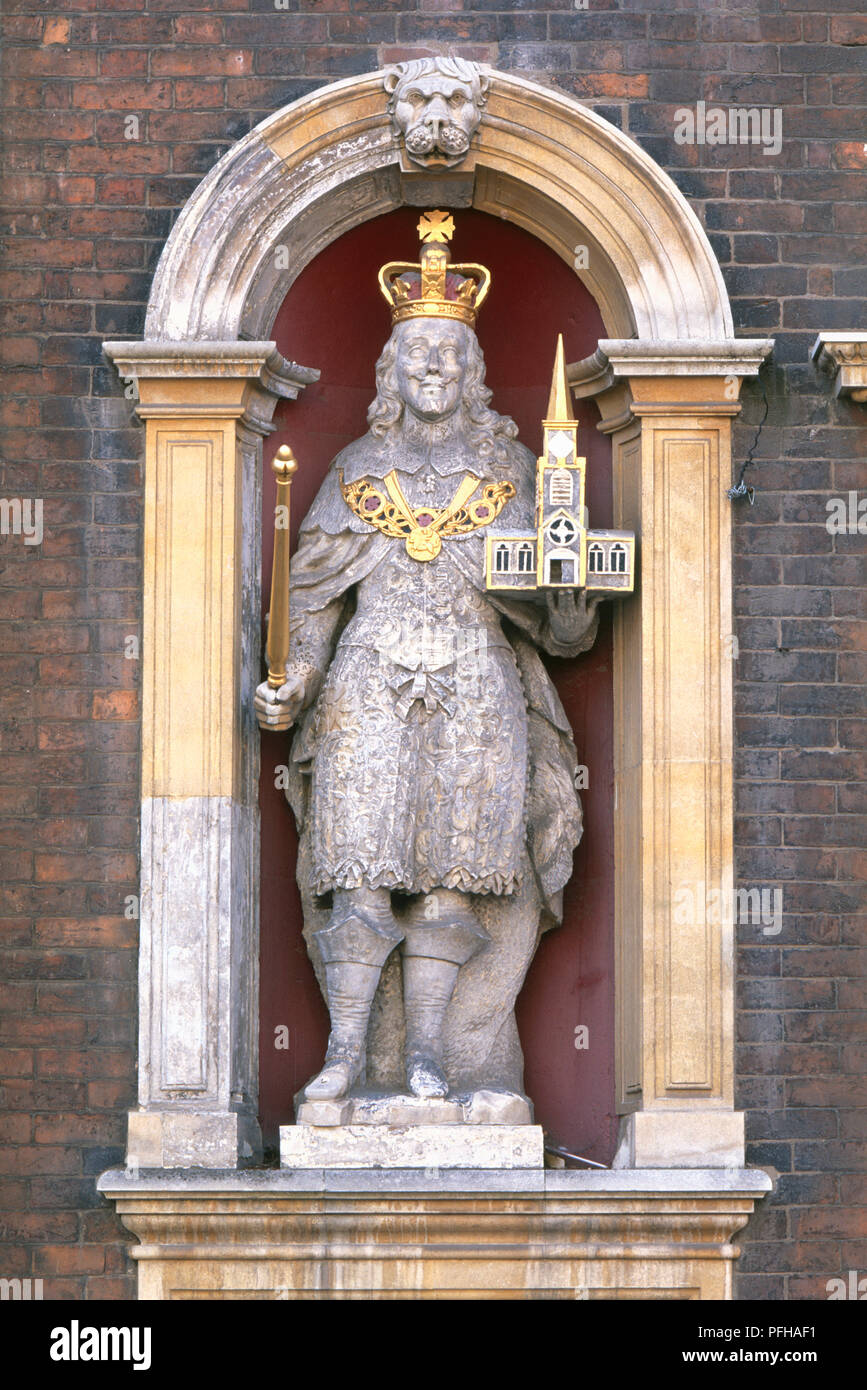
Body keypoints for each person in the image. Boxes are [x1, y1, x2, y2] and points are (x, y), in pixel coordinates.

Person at [255, 214, 602, 1108]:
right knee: (358, 880)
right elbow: (316, 599)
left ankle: (434, 1061)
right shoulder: (355, 470)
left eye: (449, 354)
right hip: (366, 689)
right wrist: (290, 679)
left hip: (478, 691)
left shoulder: (516, 472)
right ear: (389, 371)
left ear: (473, 369)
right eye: (416, 356)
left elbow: (559, 626)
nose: (432, 369)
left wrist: (567, 609)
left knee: (455, 888)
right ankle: (341, 1058)